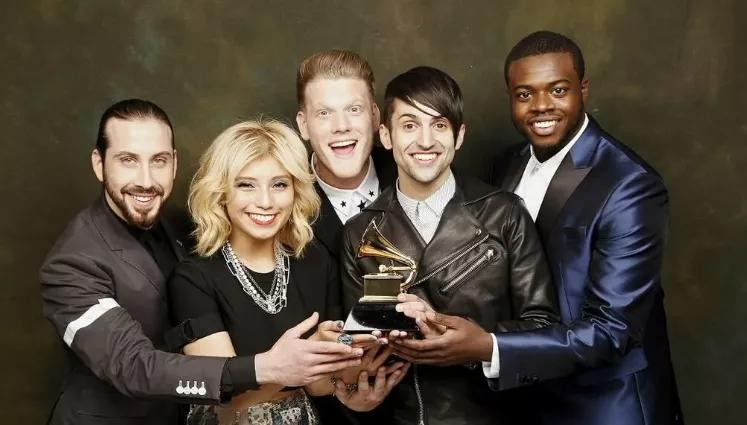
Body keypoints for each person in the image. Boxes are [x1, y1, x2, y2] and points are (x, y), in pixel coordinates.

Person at [40, 99, 364, 425]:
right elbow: (135, 367)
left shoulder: (179, 223)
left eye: (159, 161)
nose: (146, 179)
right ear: (99, 164)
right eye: (128, 160)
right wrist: (268, 367)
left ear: (174, 163)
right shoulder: (72, 265)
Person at [478, 30, 682, 424]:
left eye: (558, 90)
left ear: (583, 89)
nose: (541, 106)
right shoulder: (505, 166)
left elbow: (611, 330)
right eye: (524, 94)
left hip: (605, 405)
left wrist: (489, 347)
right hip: (528, 399)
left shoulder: (631, 186)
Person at [340, 66, 560, 425]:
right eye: (409, 125)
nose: (425, 141)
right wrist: (357, 350)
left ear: (459, 136)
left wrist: (476, 344)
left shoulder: (505, 214)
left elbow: (544, 326)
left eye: (439, 125)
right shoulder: (358, 233)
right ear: (386, 135)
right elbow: (355, 346)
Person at [168, 119, 409, 424]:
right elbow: (222, 392)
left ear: (296, 190)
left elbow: (318, 383)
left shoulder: (316, 263)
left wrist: (353, 374)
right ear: (221, 191)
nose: (265, 202)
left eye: (279, 184)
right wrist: (302, 358)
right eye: (246, 185)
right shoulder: (192, 279)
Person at [294, 49, 398, 424]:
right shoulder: (275, 202)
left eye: (353, 109)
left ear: (375, 116)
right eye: (324, 113)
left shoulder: (416, 173)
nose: (341, 126)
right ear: (304, 125)